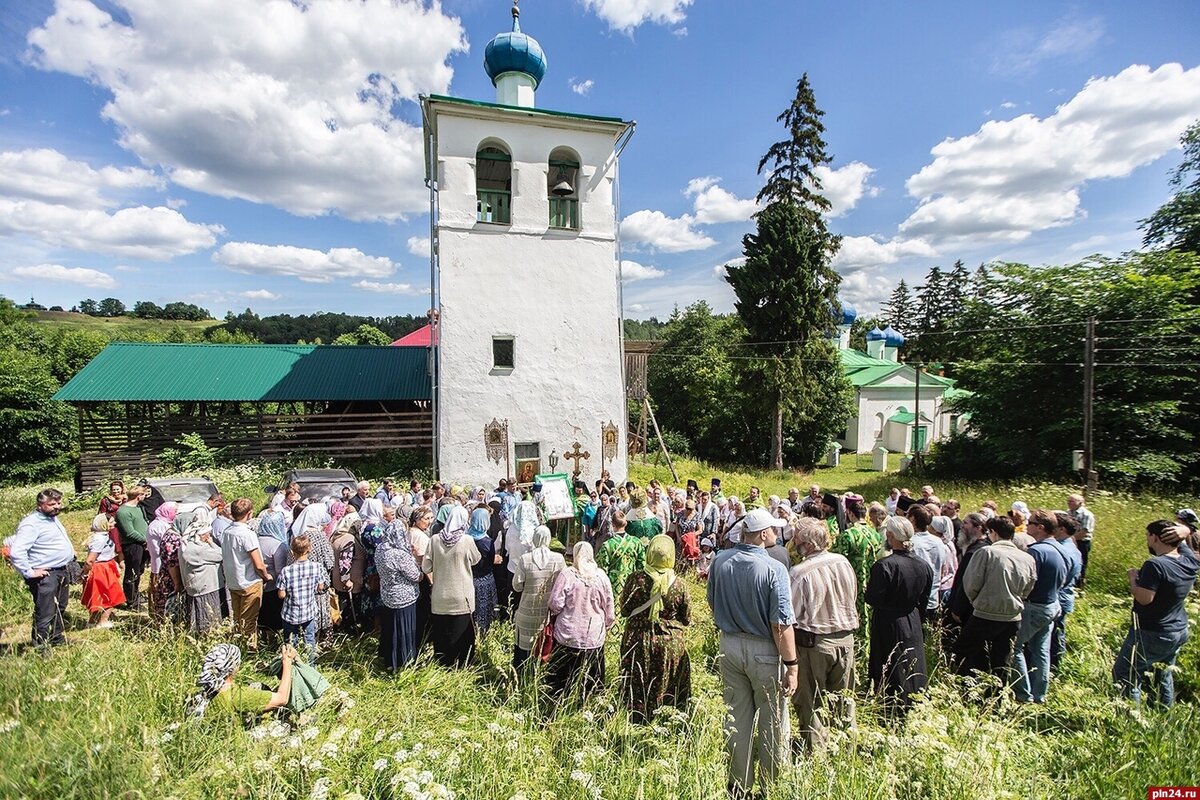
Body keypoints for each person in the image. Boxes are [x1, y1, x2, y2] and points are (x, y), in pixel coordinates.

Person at [706, 507, 797, 798]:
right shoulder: (773, 569)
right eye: (772, 529)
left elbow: (712, 600)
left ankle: (739, 784)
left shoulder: (721, 561)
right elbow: (780, 624)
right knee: (772, 720)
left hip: (729, 643)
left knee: (736, 716)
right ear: (762, 534)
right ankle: (771, 787)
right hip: (765, 649)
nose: (775, 534)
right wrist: (792, 664)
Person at [788, 517, 859, 751]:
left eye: (797, 538)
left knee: (810, 702)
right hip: (846, 638)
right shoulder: (843, 562)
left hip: (814, 643)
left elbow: (791, 613)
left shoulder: (799, 573)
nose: (793, 542)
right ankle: (845, 748)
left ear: (807, 544)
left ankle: (815, 753)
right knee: (844, 699)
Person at [1112, 520, 1197, 708]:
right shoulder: (1189, 560)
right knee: (1162, 676)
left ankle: (1129, 721)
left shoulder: (1155, 565)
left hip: (1151, 632)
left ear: (1155, 538)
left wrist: (1133, 579)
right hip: (1177, 629)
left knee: (1126, 674)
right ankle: (1164, 715)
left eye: (1148, 536)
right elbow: (1183, 541)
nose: (1147, 540)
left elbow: (1144, 598)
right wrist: (1185, 530)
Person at [954, 516, 1036, 684]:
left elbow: (970, 584)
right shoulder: (1027, 558)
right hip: (1013, 616)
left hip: (985, 613)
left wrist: (977, 602)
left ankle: (968, 688)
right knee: (1002, 659)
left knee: (965, 651)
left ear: (993, 533)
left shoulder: (987, 552)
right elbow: (1029, 587)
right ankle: (997, 694)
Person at [618, 534, 691, 722]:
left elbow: (625, 609)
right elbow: (687, 618)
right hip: (670, 644)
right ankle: (667, 722)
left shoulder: (636, 579)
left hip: (637, 640)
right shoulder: (680, 584)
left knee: (636, 684)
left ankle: (635, 720)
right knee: (667, 687)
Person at [865, 516, 933, 713]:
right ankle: (916, 701)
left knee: (890, 663)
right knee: (913, 662)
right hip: (912, 618)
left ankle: (891, 707)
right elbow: (924, 598)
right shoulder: (923, 565)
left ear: (890, 535)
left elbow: (873, 598)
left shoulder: (884, 565)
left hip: (888, 620)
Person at [1010, 509, 1068, 704]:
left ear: (1040, 527)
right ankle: (1039, 694)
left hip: (1033, 606)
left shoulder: (1036, 551)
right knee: (1041, 650)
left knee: (1014, 648)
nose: (1027, 524)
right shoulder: (1061, 549)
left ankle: (1022, 694)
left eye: (1031, 522)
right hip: (1052, 604)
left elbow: (1024, 580)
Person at [545, 542, 615, 701]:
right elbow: (609, 606)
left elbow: (555, 603)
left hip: (568, 635)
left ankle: (559, 703)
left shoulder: (567, 575)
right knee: (592, 680)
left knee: (562, 680)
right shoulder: (601, 576)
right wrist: (607, 624)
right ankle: (589, 705)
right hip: (593, 637)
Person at [7, 489, 76, 648]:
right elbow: (17, 551)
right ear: (40, 505)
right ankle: (41, 647)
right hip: (46, 574)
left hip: (61, 570)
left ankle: (56, 639)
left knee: (60, 607)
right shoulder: (31, 523)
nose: (57, 507)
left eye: (59, 503)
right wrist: (30, 572)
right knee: (45, 611)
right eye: (52, 504)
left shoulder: (51, 518)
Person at [422, 506, 480, 667]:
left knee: (442, 632)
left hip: (440, 594)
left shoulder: (434, 539)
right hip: (463, 595)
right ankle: (463, 663)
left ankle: (443, 663)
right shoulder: (467, 540)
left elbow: (426, 567)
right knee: (463, 631)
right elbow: (476, 559)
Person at [187, 643, 297, 719]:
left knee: (257, 686)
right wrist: (287, 662)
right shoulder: (238, 695)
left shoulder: (197, 690)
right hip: (229, 742)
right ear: (233, 668)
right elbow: (282, 698)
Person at [511, 524, 566, 670]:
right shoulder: (558, 559)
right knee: (544, 645)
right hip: (547, 613)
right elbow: (563, 583)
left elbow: (516, 585)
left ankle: (522, 677)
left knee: (524, 649)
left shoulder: (525, 559)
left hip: (527, 610)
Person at [375, 510, 422, 671]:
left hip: (387, 594)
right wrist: (416, 560)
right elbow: (416, 576)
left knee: (390, 628)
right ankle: (404, 660)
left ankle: (389, 658)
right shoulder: (399, 555)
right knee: (404, 629)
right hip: (404, 597)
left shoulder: (381, 548)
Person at [221, 498, 271, 651]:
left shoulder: (227, 531)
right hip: (249, 580)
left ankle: (236, 646)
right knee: (249, 619)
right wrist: (266, 575)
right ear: (249, 514)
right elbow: (258, 563)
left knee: (237, 617)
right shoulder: (247, 534)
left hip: (233, 579)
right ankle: (250, 650)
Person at [288, 503, 336, 640]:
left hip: (299, 586)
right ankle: (321, 642)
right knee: (320, 614)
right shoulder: (319, 536)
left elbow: (290, 560)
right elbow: (330, 561)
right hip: (318, 584)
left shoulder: (297, 535)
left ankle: (303, 641)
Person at [277, 535, 326, 664]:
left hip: (290, 612)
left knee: (290, 641)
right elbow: (321, 586)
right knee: (309, 639)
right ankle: (310, 665)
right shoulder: (316, 567)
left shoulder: (286, 571)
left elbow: (281, 594)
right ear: (309, 549)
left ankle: (292, 665)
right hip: (308, 610)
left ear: (292, 552)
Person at [830, 494, 879, 623]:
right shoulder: (875, 533)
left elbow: (835, 558)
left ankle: (858, 640)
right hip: (871, 579)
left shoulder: (848, 534)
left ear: (850, 514)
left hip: (852, 580)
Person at [179, 514, 226, 636]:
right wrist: (211, 543)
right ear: (201, 535)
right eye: (207, 534)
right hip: (207, 587)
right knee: (208, 614)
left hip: (195, 586)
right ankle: (209, 635)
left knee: (197, 613)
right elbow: (221, 554)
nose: (209, 536)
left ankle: (198, 635)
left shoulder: (185, 546)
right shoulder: (200, 550)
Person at [1050, 513, 1083, 673]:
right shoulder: (1069, 545)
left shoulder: (1064, 550)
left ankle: (1054, 668)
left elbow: (1061, 578)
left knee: (1055, 636)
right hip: (1063, 597)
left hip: (1058, 599)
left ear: (1061, 529)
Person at [81, 513, 126, 628]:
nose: (114, 523)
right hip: (102, 569)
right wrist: (84, 573)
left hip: (106, 566)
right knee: (109, 594)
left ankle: (93, 621)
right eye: (111, 522)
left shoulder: (102, 536)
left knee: (99, 594)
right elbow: (90, 560)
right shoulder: (100, 539)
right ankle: (103, 621)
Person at [905, 504, 947, 621]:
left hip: (916, 600)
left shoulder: (911, 543)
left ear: (912, 519)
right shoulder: (939, 542)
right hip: (934, 597)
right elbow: (943, 568)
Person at [329, 507, 365, 634]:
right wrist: (346, 580)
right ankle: (349, 632)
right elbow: (345, 561)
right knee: (349, 609)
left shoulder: (338, 536)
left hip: (338, 578)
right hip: (350, 582)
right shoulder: (349, 539)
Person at [257, 504, 292, 634]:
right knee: (273, 619)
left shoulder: (256, 539)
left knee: (262, 617)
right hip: (273, 587)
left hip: (258, 584)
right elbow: (280, 571)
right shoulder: (278, 545)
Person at [116, 485, 150, 612]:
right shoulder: (124, 512)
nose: (144, 497)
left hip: (142, 544)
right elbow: (129, 532)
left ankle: (136, 594)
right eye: (143, 495)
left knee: (139, 571)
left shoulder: (138, 508)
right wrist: (144, 540)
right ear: (138, 496)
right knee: (132, 572)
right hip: (132, 545)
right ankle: (131, 601)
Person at [597, 510, 645, 597]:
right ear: (625, 523)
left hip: (613, 584)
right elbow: (642, 565)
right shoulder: (636, 542)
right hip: (631, 583)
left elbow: (601, 569)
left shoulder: (608, 545)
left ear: (612, 524)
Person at [467, 505, 498, 636]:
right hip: (484, 579)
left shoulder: (466, 538)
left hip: (469, 578)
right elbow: (490, 560)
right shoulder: (486, 542)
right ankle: (484, 632)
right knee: (484, 608)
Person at [146, 501, 178, 621]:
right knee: (161, 591)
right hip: (161, 564)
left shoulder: (161, 523)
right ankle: (160, 617)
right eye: (175, 511)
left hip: (160, 562)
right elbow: (165, 547)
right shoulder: (160, 526)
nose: (176, 514)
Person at [1067, 493, 1095, 587]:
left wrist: (1070, 539)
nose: (1069, 503)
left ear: (1080, 503)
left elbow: (1084, 532)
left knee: (1081, 563)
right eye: (1068, 501)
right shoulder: (1068, 513)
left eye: (1072, 501)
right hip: (1069, 541)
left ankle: (1079, 586)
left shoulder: (1087, 515)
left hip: (1082, 542)